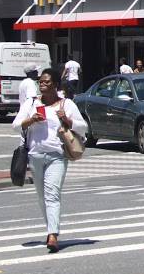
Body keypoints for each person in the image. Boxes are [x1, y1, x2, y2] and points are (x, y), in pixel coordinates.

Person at [12, 68, 88, 253]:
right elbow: (15, 125)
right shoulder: (31, 103)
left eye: (46, 82)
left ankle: (53, 235)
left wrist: (68, 121)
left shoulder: (66, 104)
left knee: (52, 195)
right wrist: (30, 120)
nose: (42, 85)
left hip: (57, 155)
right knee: (41, 196)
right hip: (35, 155)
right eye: (40, 82)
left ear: (55, 85)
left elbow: (83, 127)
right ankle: (50, 229)